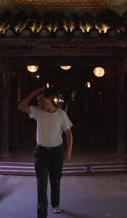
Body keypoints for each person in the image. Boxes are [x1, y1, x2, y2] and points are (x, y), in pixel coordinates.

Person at [18, 87, 73, 218]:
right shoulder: (37, 111)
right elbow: (21, 106)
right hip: (41, 152)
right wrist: (33, 92)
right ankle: (41, 213)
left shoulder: (61, 114)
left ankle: (55, 204)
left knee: (55, 181)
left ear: (49, 99)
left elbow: (69, 134)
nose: (38, 103)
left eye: (41, 100)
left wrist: (68, 151)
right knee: (41, 184)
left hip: (56, 153)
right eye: (37, 100)